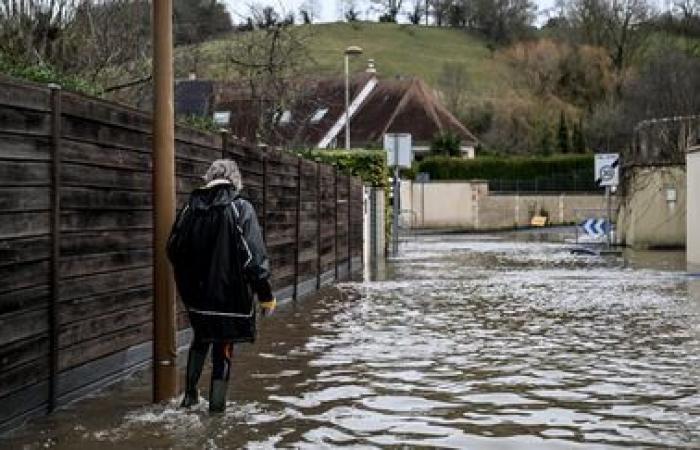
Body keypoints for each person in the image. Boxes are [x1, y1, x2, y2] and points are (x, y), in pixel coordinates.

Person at [167, 159, 276, 413]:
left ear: (209, 177)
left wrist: (192, 281)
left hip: (196, 299)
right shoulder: (240, 208)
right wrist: (266, 296)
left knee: (200, 338)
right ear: (235, 180)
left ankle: (189, 398)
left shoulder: (189, 208)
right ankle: (217, 413)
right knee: (223, 346)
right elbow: (254, 257)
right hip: (229, 299)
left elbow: (173, 249)